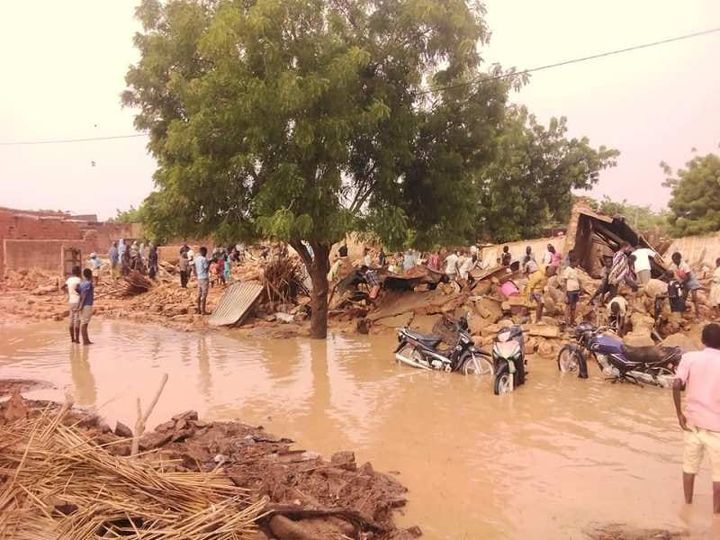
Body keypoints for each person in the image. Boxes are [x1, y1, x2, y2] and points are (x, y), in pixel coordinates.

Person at [672, 323, 720, 514]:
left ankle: (688, 506)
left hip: (692, 424)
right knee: (718, 476)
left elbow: (676, 384)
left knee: (689, 467)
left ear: (702, 340)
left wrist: (679, 414)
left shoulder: (690, 358)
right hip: (717, 428)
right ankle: (716, 516)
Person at [670, 252, 701, 318]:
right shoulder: (676, 266)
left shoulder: (684, 265)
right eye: (673, 260)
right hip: (685, 282)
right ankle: (681, 313)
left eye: (675, 260)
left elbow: (688, 277)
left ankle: (698, 315)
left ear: (679, 259)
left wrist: (682, 283)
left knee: (694, 299)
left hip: (692, 282)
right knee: (683, 298)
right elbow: (676, 275)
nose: (674, 261)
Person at [63, 266, 82, 343]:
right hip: (77, 300)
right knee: (77, 319)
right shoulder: (79, 280)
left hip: (71, 301)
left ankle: (72, 339)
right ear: (78, 272)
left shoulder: (69, 279)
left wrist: (68, 293)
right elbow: (80, 289)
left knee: (71, 319)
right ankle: (77, 339)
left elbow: (62, 287)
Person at [562, 254, 582, 326]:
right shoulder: (567, 270)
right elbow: (565, 282)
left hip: (575, 291)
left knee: (574, 307)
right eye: (577, 262)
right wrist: (565, 294)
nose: (578, 263)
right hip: (570, 291)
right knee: (568, 307)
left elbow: (577, 280)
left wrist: (580, 288)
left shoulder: (575, 270)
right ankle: (567, 322)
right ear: (573, 262)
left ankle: (572, 322)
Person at [77, 268, 95, 345]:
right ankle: (85, 341)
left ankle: (86, 340)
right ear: (91, 275)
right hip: (87, 304)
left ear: (84, 275)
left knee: (84, 323)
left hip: (83, 304)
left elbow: (79, 292)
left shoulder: (82, 283)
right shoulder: (88, 284)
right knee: (84, 323)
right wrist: (81, 305)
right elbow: (84, 295)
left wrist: (79, 304)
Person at [195, 247, 210, 315]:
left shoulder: (197, 259)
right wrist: (209, 263)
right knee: (204, 294)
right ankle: (203, 311)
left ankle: (198, 310)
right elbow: (206, 268)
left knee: (199, 294)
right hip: (204, 278)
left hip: (199, 278)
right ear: (204, 252)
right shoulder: (204, 259)